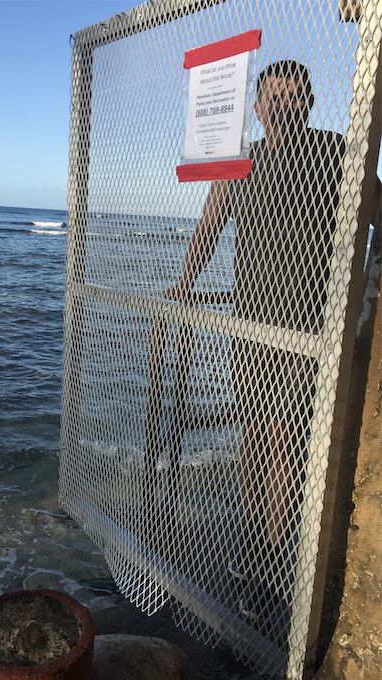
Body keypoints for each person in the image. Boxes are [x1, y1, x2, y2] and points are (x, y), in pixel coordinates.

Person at [166, 60, 381, 632]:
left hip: (308, 331)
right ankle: (256, 532)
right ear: (256, 107)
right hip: (250, 328)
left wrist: (366, 289)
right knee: (255, 435)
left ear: (310, 103)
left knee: (284, 443)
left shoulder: (338, 151)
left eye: (293, 97)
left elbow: (376, 212)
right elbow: (209, 226)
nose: (282, 106)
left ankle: (267, 566)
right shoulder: (241, 163)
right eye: (272, 97)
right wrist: (187, 281)